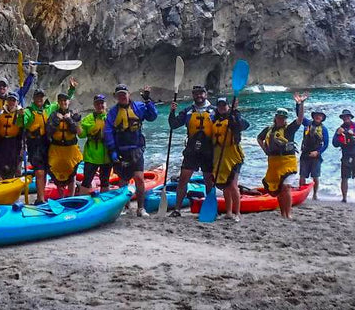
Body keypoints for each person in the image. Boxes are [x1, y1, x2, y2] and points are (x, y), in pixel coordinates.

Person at [104, 84, 157, 217]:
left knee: (139, 178)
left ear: (129, 94)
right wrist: (112, 150)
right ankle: (125, 207)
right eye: (119, 95)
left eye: (124, 94)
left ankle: (141, 208)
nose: (122, 96)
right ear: (116, 97)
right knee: (123, 179)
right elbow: (108, 131)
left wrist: (147, 100)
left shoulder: (138, 107)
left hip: (136, 148)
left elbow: (152, 116)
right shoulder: (113, 112)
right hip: (121, 149)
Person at [23, 80, 77, 202]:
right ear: (34, 98)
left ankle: (63, 197)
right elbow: (23, 123)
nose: (39, 99)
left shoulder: (50, 108)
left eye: (41, 97)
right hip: (35, 145)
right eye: (37, 97)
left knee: (53, 170)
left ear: (44, 98)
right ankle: (40, 199)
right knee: (40, 172)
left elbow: (63, 104)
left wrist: (71, 90)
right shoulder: (29, 111)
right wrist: (20, 116)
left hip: (49, 143)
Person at [167, 85, 215, 218]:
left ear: (206, 94)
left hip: (208, 150)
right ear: (193, 95)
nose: (199, 96)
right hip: (192, 149)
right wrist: (172, 112)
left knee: (209, 181)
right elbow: (173, 125)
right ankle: (177, 209)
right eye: (196, 94)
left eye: (201, 93)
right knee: (183, 179)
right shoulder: (187, 111)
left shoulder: (215, 111)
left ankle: (210, 207)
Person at [257, 93, 308, 218]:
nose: (281, 120)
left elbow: (300, 119)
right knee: (279, 189)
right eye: (279, 117)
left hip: (288, 161)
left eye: (283, 118)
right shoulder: (269, 129)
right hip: (274, 163)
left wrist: (300, 104)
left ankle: (288, 213)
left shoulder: (289, 129)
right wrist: (265, 149)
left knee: (286, 187)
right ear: (275, 118)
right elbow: (259, 138)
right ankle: (283, 213)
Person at [211, 96, 250, 221]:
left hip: (234, 156)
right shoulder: (214, 119)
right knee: (225, 185)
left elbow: (243, 125)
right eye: (220, 105)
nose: (222, 107)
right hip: (219, 156)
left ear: (228, 106)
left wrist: (235, 111)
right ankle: (228, 212)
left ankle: (237, 213)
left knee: (233, 185)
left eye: (224, 105)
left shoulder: (234, 118)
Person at [46, 83, 83, 197]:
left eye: (65, 101)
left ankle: (71, 197)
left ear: (68, 102)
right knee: (57, 174)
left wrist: (68, 120)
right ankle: (61, 197)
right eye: (61, 101)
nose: (63, 103)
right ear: (58, 102)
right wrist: (57, 120)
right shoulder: (53, 115)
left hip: (70, 150)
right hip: (56, 149)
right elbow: (49, 131)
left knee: (72, 173)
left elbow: (77, 131)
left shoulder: (74, 115)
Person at [333, 96, 355, 203]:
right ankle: (344, 198)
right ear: (342, 118)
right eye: (344, 117)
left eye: (347, 116)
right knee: (344, 178)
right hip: (346, 156)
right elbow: (334, 144)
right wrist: (338, 135)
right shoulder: (339, 129)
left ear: (350, 117)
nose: (346, 118)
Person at [78, 94, 112, 195]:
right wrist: (76, 123)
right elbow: (81, 135)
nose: (100, 106)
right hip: (91, 156)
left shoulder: (110, 117)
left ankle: (104, 203)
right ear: (94, 105)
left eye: (101, 103)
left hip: (106, 156)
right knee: (87, 181)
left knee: (105, 181)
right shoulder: (88, 119)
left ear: (105, 104)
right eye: (97, 104)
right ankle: (81, 202)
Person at [298, 105, 329, 200]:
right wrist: (299, 104)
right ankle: (301, 194)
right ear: (313, 116)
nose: (318, 117)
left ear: (323, 118)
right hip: (305, 153)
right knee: (302, 175)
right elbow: (299, 115)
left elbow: (326, 144)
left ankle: (315, 195)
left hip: (316, 155)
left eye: (320, 116)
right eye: (316, 115)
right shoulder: (307, 123)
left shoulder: (324, 129)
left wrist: (318, 152)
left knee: (315, 176)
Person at [0, 92, 26, 179]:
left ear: (17, 102)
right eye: (10, 100)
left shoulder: (20, 113)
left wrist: (23, 117)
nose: (11, 102)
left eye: (13, 100)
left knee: (16, 166)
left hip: (15, 142)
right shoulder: (1, 114)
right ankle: (5, 180)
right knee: (4, 165)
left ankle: (17, 182)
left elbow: (24, 128)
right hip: (4, 142)